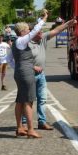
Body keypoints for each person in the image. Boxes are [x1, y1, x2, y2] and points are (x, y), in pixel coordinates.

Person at [26, 18, 77, 130]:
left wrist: (68, 23)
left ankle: (42, 122)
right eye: (39, 31)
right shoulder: (26, 43)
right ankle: (25, 123)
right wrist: (33, 67)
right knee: (28, 100)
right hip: (29, 75)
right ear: (32, 32)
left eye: (41, 31)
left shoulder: (43, 38)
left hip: (41, 75)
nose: (41, 33)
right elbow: (20, 62)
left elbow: (56, 30)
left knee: (42, 99)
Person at [11, 9, 48, 139]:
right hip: (26, 73)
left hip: (19, 72)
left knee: (20, 100)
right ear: (22, 32)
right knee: (28, 100)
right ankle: (31, 129)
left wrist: (18, 68)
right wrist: (43, 19)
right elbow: (35, 31)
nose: (29, 32)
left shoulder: (16, 43)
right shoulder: (21, 41)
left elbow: (10, 60)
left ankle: (19, 127)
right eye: (27, 30)